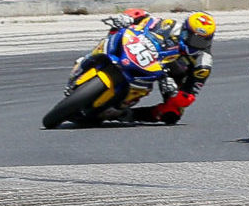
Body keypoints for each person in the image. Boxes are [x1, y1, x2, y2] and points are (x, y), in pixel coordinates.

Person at [72, 11, 216, 124]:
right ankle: (91, 59)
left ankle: (126, 114)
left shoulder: (203, 63)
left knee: (172, 114)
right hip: (148, 53)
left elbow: (189, 95)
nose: (196, 43)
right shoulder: (170, 25)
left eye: (203, 41)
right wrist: (126, 18)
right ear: (185, 31)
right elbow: (142, 16)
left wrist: (175, 95)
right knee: (118, 29)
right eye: (194, 38)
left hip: (172, 78)